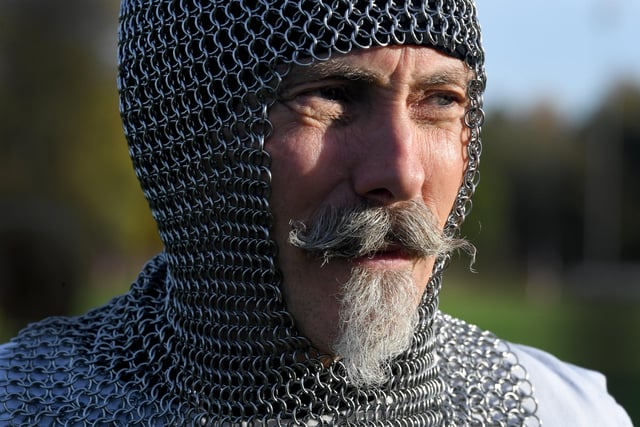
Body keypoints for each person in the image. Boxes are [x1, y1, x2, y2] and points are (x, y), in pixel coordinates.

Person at [0, 0, 632, 425]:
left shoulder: (565, 414)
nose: (402, 173)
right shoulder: (28, 406)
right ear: (188, 136)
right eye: (331, 95)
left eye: (440, 99)